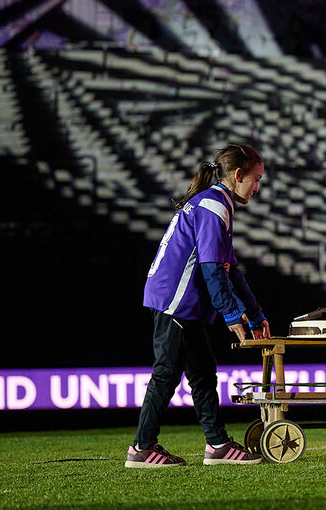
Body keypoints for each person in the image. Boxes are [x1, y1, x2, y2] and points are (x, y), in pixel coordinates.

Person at [126, 143, 270, 468]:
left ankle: (217, 445)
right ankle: (141, 449)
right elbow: (212, 269)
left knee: (203, 373)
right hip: (175, 300)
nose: (258, 187)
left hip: (179, 301)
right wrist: (232, 314)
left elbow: (230, 269)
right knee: (166, 373)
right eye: (256, 179)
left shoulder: (217, 205)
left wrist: (256, 314)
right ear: (238, 175)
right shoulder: (213, 206)